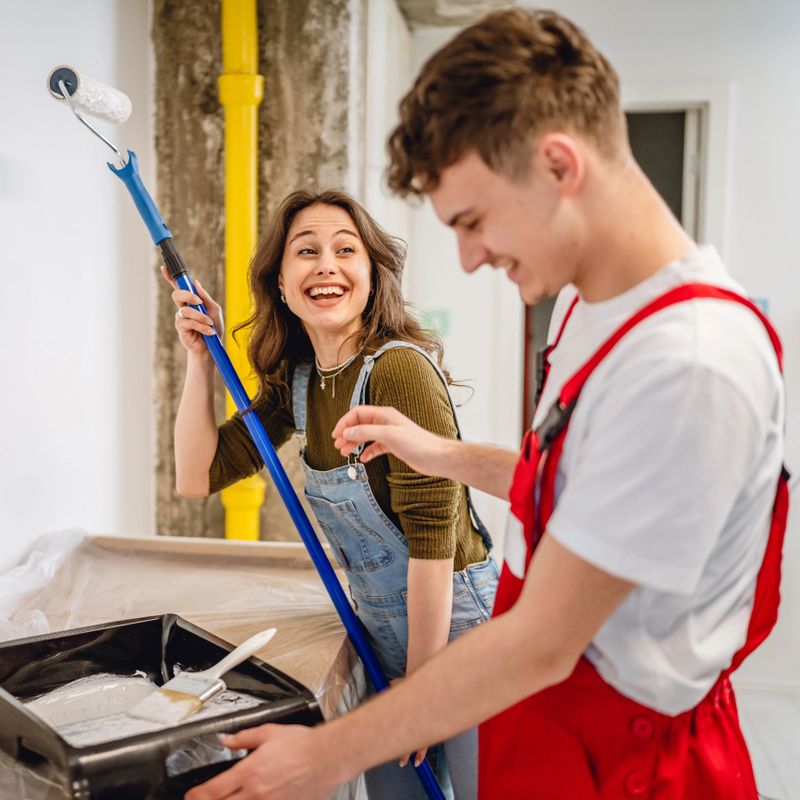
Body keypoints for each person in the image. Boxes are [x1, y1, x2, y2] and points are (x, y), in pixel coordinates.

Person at [185, 9, 788, 800]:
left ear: (558, 165)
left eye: (472, 221)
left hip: (632, 763)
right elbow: (577, 485)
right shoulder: (587, 314)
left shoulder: (689, 363)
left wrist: (324, 754)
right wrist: (441, 455)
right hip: (548, 718)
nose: (469, 258)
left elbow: (542, 641)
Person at [165, 189, 498, 799]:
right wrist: (200, 360)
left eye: (346, 250)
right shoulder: (299, 384)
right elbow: (196, 475)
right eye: (306, 251)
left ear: (371, 276)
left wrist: (418, 696)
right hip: (385, 646)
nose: (326, 264)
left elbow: (433, 546)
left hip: (461, 641)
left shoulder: (399, 371)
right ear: (282, 284)